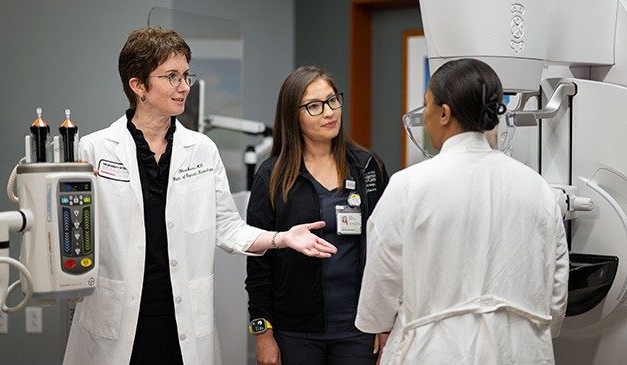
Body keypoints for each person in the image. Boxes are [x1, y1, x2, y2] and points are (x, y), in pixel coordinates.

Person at [63, 27, 337, 365]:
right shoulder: (95, 149)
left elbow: (227, 227)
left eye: (186, 75)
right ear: (138, 86)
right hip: (116, 319)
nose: (184, 87)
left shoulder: (202, 149)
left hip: (182, 320)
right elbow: (72, 235)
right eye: (171, 77)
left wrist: (281, 238)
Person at [355, 58, 569, 364]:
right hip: (520, 351)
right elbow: (557, 294)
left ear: (444, 113)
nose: (424, 116)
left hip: (433, 351)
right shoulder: (538, 189)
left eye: (426, 105)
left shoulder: (408, 185)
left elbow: (380, 285)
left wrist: (377, 323)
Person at [245, 66, 389, 365]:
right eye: (314, 106)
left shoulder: (368, 168)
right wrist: (263, 333)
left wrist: (386, 321)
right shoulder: (272, 176)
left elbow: (386, 249)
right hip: (295, 332)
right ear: (292, 115)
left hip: (360, 329)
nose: (329, 112)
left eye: (333, 100)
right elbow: (258, 261)